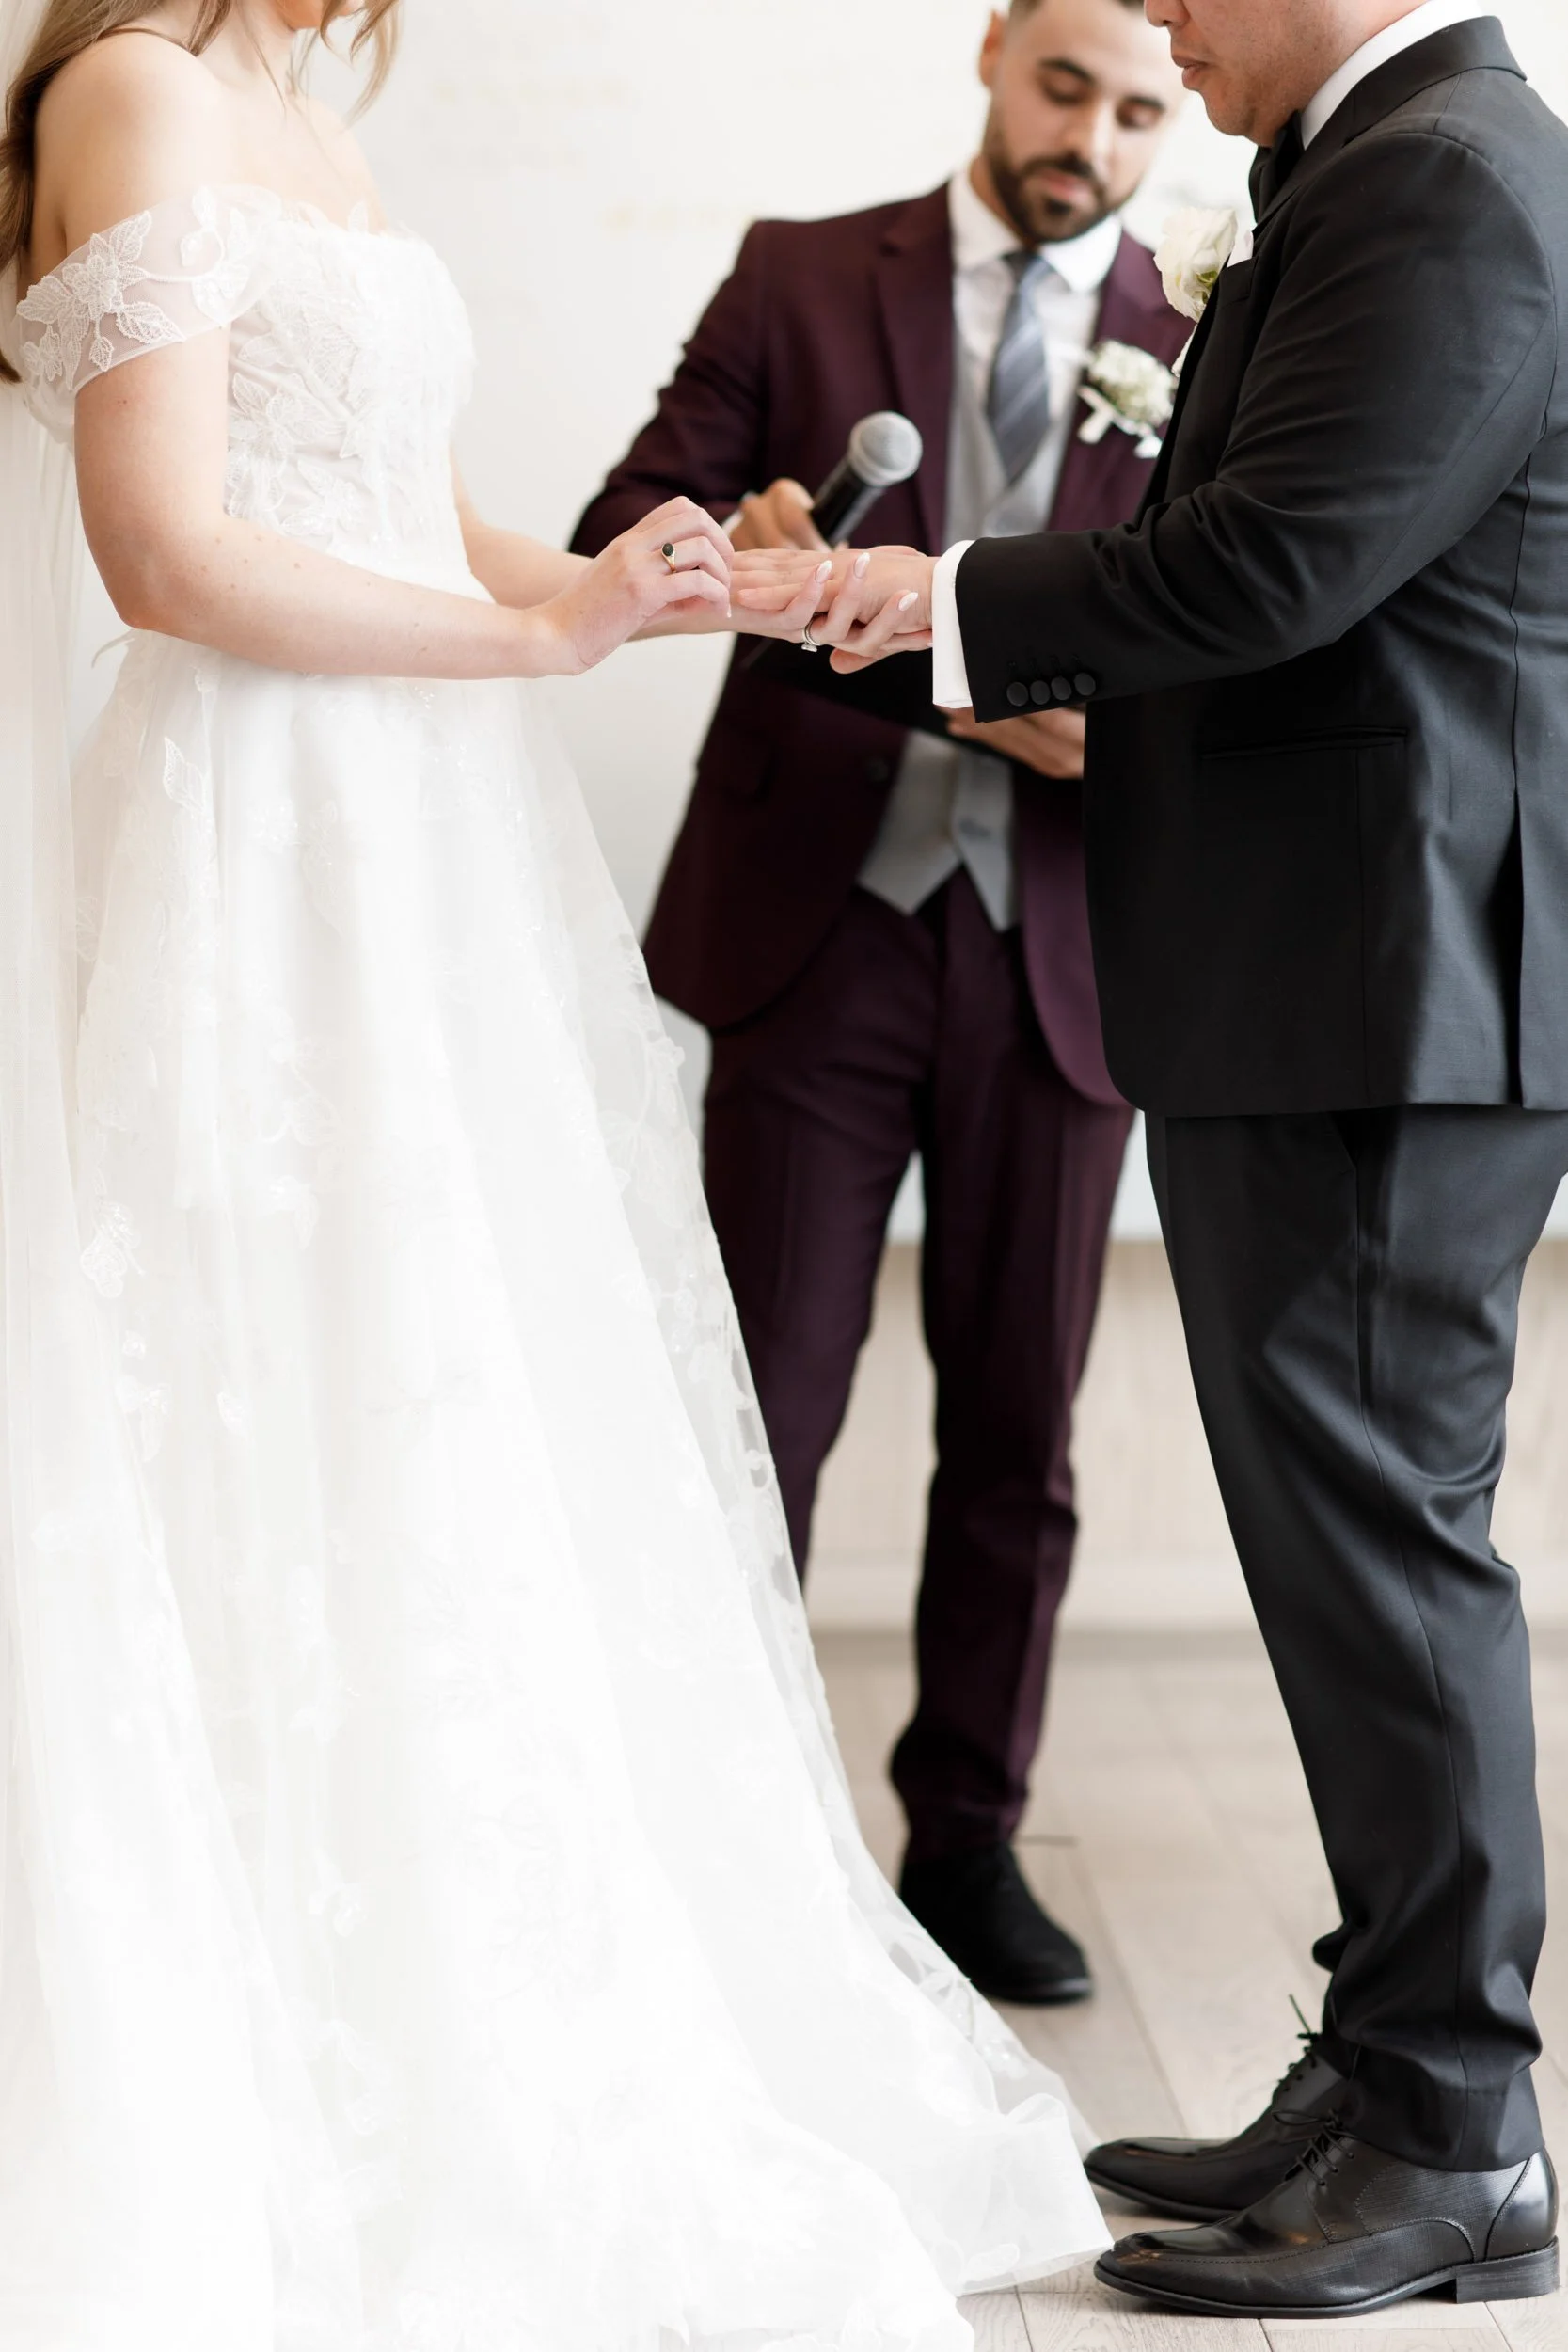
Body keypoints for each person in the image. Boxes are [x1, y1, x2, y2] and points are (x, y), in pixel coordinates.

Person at [0, 0, 1112, 2337]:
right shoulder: (135, 95)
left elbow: (399, 515)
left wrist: (638, 582)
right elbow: (165, 553)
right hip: (260, 825)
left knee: (456, 1386)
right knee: (258, 1369)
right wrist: (533, 631)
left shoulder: (301, 118)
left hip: (406, 828)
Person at [736, 0, 1568, 2321]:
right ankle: (1391, 2049)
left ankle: (1454, 2129)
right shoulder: (1380, 157)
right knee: (1338, 1540)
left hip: (1391, 987)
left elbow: (1276, 561)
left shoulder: (1454, 172)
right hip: (1328, 974)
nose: (1164, 23)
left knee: (1383, 1543)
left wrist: (942, 597)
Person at [573, 0, 1188, 2009]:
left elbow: (1189, 687)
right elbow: (619, 531)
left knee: (1017, 1426)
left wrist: (996, 697)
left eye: (1132, 109)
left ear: (1165, 121)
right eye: (1059, 82)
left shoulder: (1206, 341)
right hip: (807, 931)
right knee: (761, 1404)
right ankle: (723, 1823)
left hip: (1064, 963)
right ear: (993, 49)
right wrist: (730, 549)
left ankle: (966, 1844)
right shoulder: (798, 271)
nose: (1084, 136)